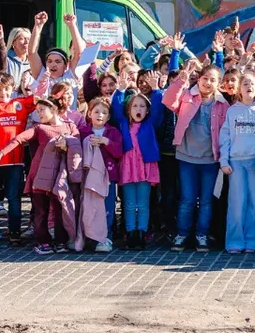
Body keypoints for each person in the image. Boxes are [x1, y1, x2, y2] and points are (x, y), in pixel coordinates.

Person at [0, 98, 81, 254]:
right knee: (41, 211)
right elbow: (19, 139)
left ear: (53, 109)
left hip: (60, 177)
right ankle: (43, 242)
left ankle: (61, 241)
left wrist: (67, 143)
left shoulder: (70, 126)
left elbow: (78, 143)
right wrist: (0, 154)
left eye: (41, 110)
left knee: (60, 210)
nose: (38, 113)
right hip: (40, 176)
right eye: (37, 110)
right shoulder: (39, 128)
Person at [165, 64, 229, 253]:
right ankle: (183, 234)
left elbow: (225, 134)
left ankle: (202, 234)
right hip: (186, 157)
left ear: (218, 83)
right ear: (199, 79)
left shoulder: (222, 104)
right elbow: (169, 101)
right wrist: (180, 79)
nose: (208, 83)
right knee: (187, 198)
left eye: (213, 80)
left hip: (210, 159)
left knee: (207, 200)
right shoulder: (186, 96)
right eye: (205, 78)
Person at [219, 73, 255, 254]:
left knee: (253, 202)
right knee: (236, 203)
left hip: (254, 163)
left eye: (252, 83)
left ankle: (252, 240)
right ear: (238, 88)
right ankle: (234, 240)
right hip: (235, 163)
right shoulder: (232, 111)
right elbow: (225, 137)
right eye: (244, 83)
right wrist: (224, 160)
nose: (248, 86)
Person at [111, 85, 164, 249]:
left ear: (147, 110)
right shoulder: (123, 124)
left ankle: (140, 233)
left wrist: (156, 91)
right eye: (134, 106)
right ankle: (130, 232)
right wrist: (119, 90)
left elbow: (158, 110)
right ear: (128, 110)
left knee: (142, 203)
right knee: (128, 203)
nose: (138, 109)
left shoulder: (150, 124)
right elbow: (115, 109)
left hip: (145, 168)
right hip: (127, 168)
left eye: (142, 106)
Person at [0, 71, 34, 244]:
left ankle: (15, 232)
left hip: (15, 161)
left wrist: (29, 85)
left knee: (13, 197)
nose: (3, 93)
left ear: (13, 88)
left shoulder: (20, 104)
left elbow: (43, 96)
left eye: (7, 89)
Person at [78, 97, 122, 252]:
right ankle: (89, 236)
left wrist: (106, 142)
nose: (100, 115)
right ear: (89, 113)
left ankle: (106, 237)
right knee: (89, 206)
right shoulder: (83, 132)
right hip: (89, 177)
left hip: (108, 176)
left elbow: (118, 152)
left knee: (107, 207)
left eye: (104, 112)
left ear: (109, 116)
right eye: (96, 111)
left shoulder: (113, 132)